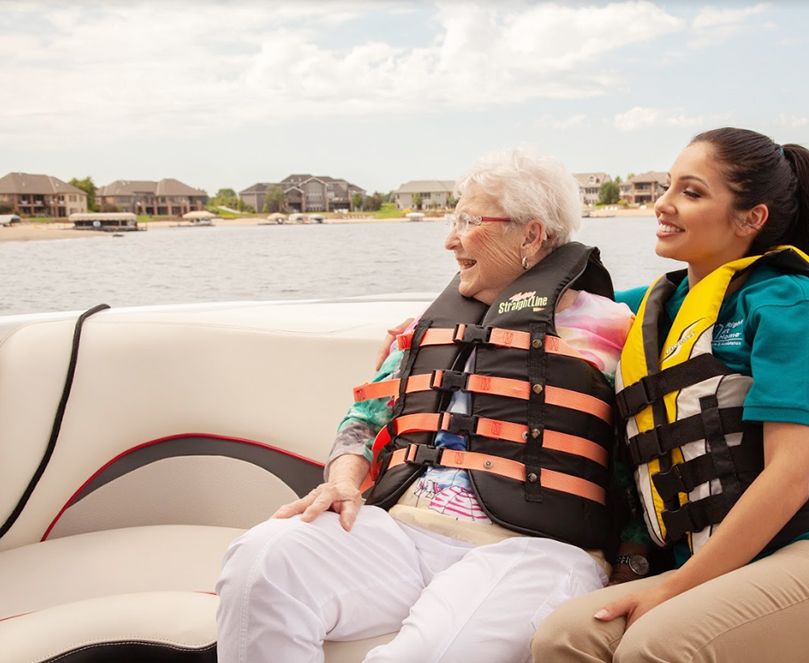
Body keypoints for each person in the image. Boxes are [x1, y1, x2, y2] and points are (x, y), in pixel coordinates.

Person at [215, 148, 634, 663]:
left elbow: (639, 462)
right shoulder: (424, 330)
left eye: (468, 221)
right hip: (402, 532)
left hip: (535, 549)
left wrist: (632, 563)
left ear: (531, 234)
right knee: (262, 561)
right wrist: (344, 481)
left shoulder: (615, 332)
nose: (449, 239)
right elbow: (364, 422)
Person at [531, 127, 809, 663]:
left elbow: (788, 480)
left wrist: (673, 586)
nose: (663, 204)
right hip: (709, 565)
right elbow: (543, 309)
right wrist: (420, 330)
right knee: (562, 637)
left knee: (655, 647)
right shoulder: (655, 306)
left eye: (691, 192)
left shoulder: (791, 303)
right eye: (667, 187)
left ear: (750, 218)